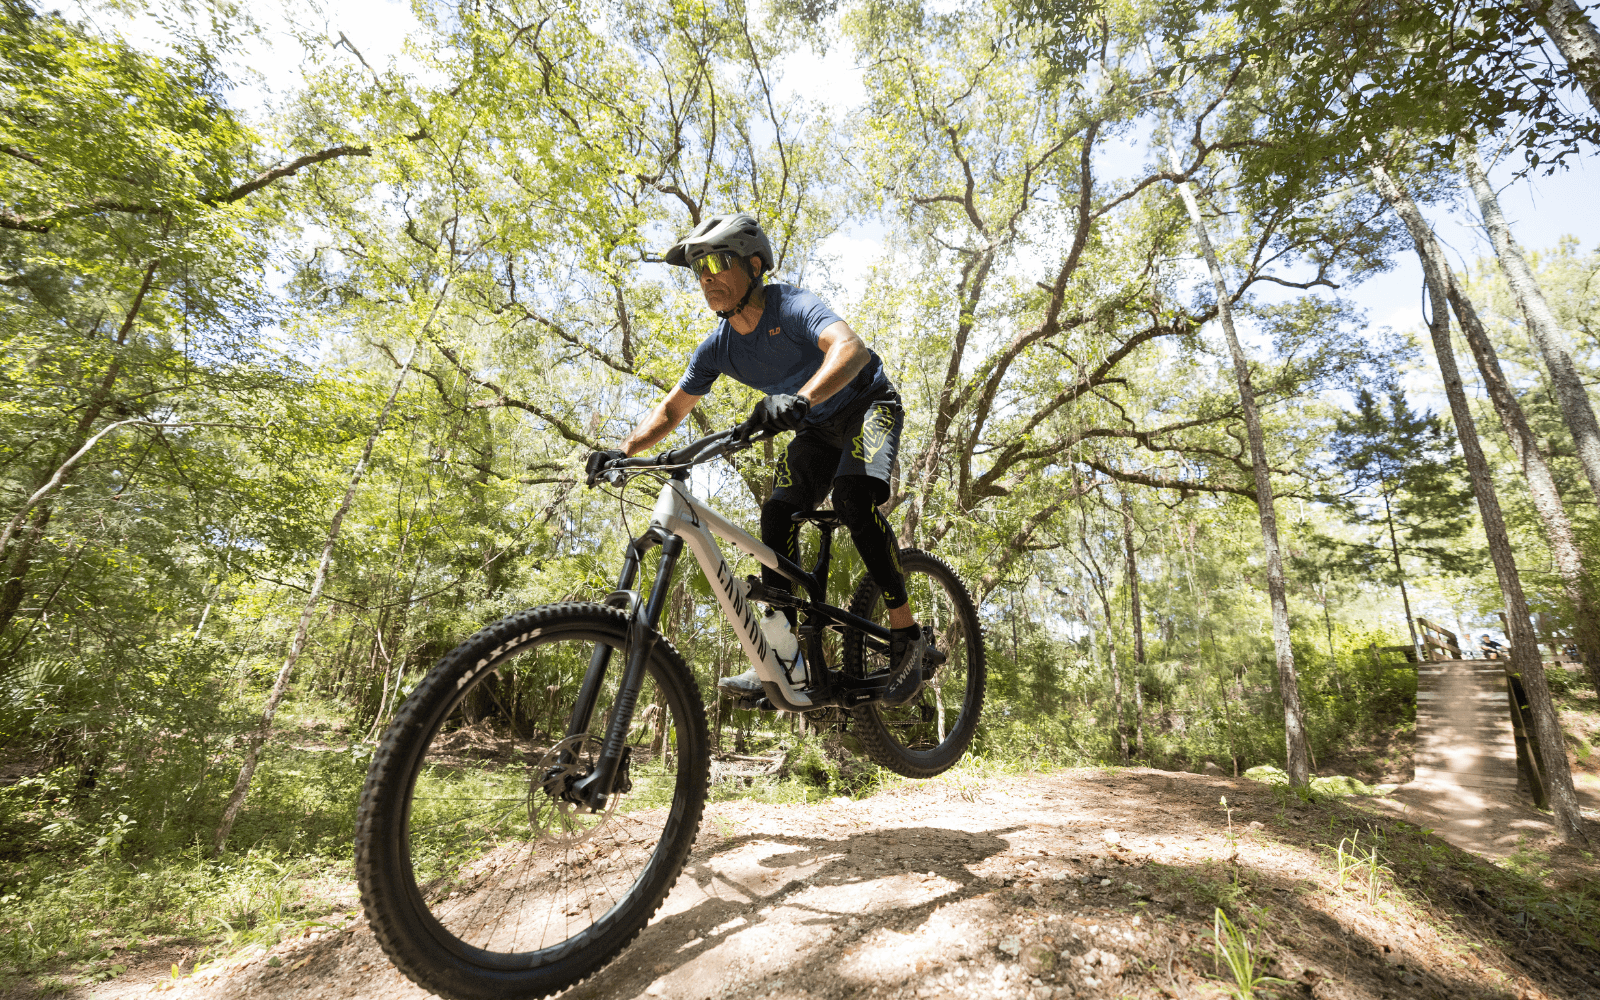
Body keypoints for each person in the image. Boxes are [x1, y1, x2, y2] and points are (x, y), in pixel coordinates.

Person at [586, 212, 926, 706]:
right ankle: (787, 654)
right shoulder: (718, 349)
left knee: (853, 498)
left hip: (868, 406)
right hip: (815, 431)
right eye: (698, 269)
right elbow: (672, 408)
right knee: (776, 512)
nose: (707, 277)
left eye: (719, 262)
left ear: (754, 264)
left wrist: (801, 398)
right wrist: (622, 451)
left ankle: (907, 635)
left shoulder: (790, 306)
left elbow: (850, 349)